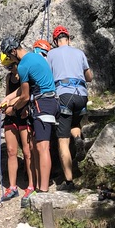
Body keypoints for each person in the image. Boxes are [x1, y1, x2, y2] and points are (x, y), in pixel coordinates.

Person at [0, 35, 58, 196]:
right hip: (51, 100)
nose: (11, 61)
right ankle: (40, 187)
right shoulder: (34, 56)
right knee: (39, 147)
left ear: (13, 51)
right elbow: (22, 90)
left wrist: (13, 108)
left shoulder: (23, 65)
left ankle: (43, 190)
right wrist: (7, 99)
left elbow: (24, 96)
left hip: (42, 103)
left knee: (42, 147)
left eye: (10, 57)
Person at [47, 25, 93, 190]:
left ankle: (68, 182)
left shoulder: (51, 54)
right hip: (81, 94)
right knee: (75, 123)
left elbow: (47, 77)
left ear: (55, 41)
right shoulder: (79, 53)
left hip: (64, 95)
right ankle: (78, 138)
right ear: (68, 39)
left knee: (62, 141)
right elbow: (89, 77)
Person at [0, 54, 33, 202]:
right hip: (11, 116)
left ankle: (31, 185)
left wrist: (12, 105)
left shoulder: (25, 75)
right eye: (7, 67)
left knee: (27, 151)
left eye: (12, 66)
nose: (11, 69)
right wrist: (4, 105)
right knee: (11, 151)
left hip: (24, 114)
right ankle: (12, 187)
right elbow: (8, 95)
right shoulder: (9, 78)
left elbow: (26, 94)